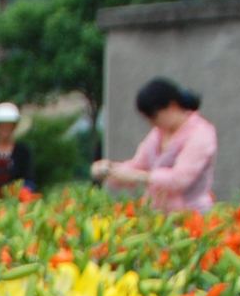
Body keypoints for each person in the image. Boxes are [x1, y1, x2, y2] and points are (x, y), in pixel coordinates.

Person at [92, 78, 216, 213]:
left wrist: (141, 177)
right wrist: (110, 170)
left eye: (154, 117)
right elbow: (137, 166)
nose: (151, 123)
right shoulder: (157, 134)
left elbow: (180, 179)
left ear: (172, 106)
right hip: (157, 213)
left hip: (192, 215)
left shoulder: (201, 133)